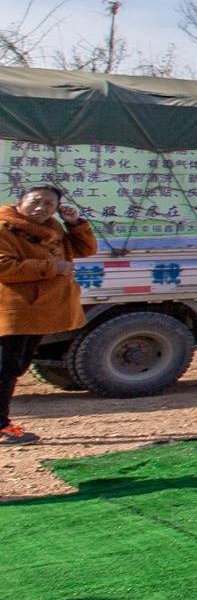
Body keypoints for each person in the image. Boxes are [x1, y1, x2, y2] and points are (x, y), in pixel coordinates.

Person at [0, 185, 97, 445]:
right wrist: (51, 267)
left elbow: (85, 249)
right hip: (14, 310)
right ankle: (1, 427)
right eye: (35, 201)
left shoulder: (52, 228)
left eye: (49, 204)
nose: (41, 208)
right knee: (4, 369)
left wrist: (74, 223)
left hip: (37, 310)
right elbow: (3, 266)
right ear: (20, 202)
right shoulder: (4, 227)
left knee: (14, 367)